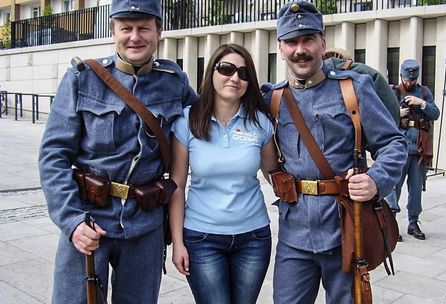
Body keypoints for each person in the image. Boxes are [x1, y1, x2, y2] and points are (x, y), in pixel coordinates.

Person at [38, 0, 198, 302]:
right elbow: (53, 155)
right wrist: (72, 222)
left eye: (143, 28)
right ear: (114, 31)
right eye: (126, 28)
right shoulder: (82, 78)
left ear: (159, 31)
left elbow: (210, 116)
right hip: (89, 220)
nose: (134, 37)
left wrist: (264, 101)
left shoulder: (173, 82)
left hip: (144, 227)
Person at [261, 1, 408, 303]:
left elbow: (394, 143)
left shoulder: (353, 88)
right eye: (291, 42)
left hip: (344, 228)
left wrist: (376, 181)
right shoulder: (274, 98)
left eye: (308, 40)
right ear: (280, 47)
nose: (300, 49)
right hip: (294, 233)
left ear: (322, 43)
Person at [168, 43, 278, 304]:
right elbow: (177, 185)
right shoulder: (187, 121)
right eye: (226, 69)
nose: (235, 78)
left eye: (243, 72)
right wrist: (177, 242)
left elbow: (276, 177)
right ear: (212, 73)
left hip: (253, 237)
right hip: (201, 238)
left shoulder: (260, 122)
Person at [385, 59, 440, 240]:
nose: (409, 83)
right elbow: (381, 115)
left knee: (416, 189)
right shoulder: (393, 91)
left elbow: (435, 114)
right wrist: (397, 113)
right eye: (407, 79)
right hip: (399, 147)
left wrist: (421, 103)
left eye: (412, 80)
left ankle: (413, 222)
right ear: (401, 76)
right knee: (394, 188)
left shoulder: (424, 92)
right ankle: (391, 223)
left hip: (418, 149)